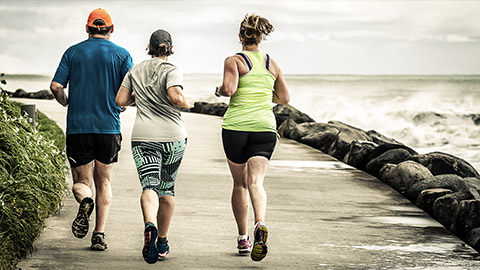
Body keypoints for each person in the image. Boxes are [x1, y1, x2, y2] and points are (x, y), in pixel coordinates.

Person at [50, 8, 133, 251]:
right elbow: (131, 91)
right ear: (111, 29)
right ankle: (99, 234)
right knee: (104, 182)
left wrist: (66, 101)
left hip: (78, 128)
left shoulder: (73, 52)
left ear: (87, 29)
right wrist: (122, 104)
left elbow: (56, 86)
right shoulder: (122, 55)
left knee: (82, 182)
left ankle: (85, 200)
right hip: (108, 127)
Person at [215, 14, 290, 262]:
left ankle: (243, 238)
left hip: (237, 128)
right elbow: (284, 99)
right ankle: (260, 224)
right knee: (256, 182)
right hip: (264, 129)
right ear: (261, 37)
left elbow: (229, 89)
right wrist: (264, 97)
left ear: (240, 37)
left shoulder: (234, 61)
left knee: (240, 184)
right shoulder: (272, 64)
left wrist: (219, 90)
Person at [116, 29, 194, 264]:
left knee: (149, 185)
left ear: (149, 47)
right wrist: (189, 102)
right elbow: (176, 98)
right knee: (167, 189)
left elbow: (120, 101)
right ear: (170, 48)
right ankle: (161, 241)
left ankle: (149, 223)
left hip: (143, 137)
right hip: (173, 137)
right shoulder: (172, 70)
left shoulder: (136, 70)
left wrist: (139, 97)